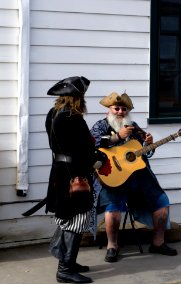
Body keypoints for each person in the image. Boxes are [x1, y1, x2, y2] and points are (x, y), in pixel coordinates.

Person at [90, 92, 177, 263]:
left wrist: (148, 145)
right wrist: (117, 137)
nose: (120, 112)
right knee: (113, 209)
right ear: (109, 109)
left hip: (139, 177)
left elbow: (145, 154)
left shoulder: (134, 127)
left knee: (162, 202)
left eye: (124, 109)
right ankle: (112, 246)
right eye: (117, 108)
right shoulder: (100, 126)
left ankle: (158, 243)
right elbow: (93, 144)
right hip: (113, 177)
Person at [45, 76, 109, 283]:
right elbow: (81, 149)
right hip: (74, 174)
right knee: (76, 219)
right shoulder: (72, 117)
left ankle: (69, 262)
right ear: (78, 98)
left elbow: (62, 146)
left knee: (68, 218)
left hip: (61, 171)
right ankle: (65, 268)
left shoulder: (53, 114)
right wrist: (97, 159)